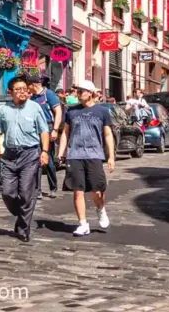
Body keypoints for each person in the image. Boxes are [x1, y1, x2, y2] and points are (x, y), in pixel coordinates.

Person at [0, 76, 50, 242]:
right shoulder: (3, 110)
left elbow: (44, 131)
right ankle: (22, 214)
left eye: (25, 89)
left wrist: (45, 151)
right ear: (10, 92)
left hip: (30, 154)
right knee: (7, 192)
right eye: (18, 89)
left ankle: (23, 229)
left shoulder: (35, 108)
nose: (23, 92)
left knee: (25, 193)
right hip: (9, 155)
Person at [57, 79, 114, 237]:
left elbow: (108, 134)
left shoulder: (102, 111)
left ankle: (101, 209)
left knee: (97, 190)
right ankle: (83, 224)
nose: (78, 93)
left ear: (90, 93)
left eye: (81, 91)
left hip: (94, 155)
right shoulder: (72, 111)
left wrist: (111, 157)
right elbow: (65, 133)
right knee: (78, 191)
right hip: (75, 155)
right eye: (77, 91)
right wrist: (61, 153)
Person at [30, 78, 63, 198]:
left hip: (48, 127)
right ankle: (37, 190)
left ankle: (53, 187)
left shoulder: (48, 94)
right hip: (35, 129)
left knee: (48, 159)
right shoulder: (32, 97)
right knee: (37, 160)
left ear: (34, 85)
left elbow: (58, 112)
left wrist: (55, 129)